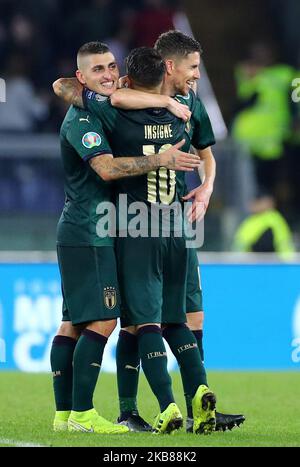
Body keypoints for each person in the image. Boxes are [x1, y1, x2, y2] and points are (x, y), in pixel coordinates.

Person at [53, 33, 245, 433]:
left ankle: (187, 406)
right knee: (125, 322)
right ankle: (118, 410)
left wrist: (206, 187)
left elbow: (206, 153)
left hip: (145, 222)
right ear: (168, 68)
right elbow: (102, 155)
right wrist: (164, 116)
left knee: (171, 318)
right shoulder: (129, 107)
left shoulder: (142, 105)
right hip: (117, 225)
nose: (196, 76)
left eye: (113, 67)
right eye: (192, 68)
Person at [81, 46, 217, 435]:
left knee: (143, 324)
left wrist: (113, 89)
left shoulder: (116, 111)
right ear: (165, 75)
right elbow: (205, 152)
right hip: (178, 226)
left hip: (137, 226)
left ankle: (168, 406)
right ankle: (201, 391)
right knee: (178, 321)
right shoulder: (185, 111)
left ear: (128, 79)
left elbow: (74, 91)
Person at [233, 194, 295, 261]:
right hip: (252, 263)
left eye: (257, 203)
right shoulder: (251, 220)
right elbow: (240, 244)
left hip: (274, 263)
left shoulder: (273, 218)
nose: (251, 205)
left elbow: (283, 243)